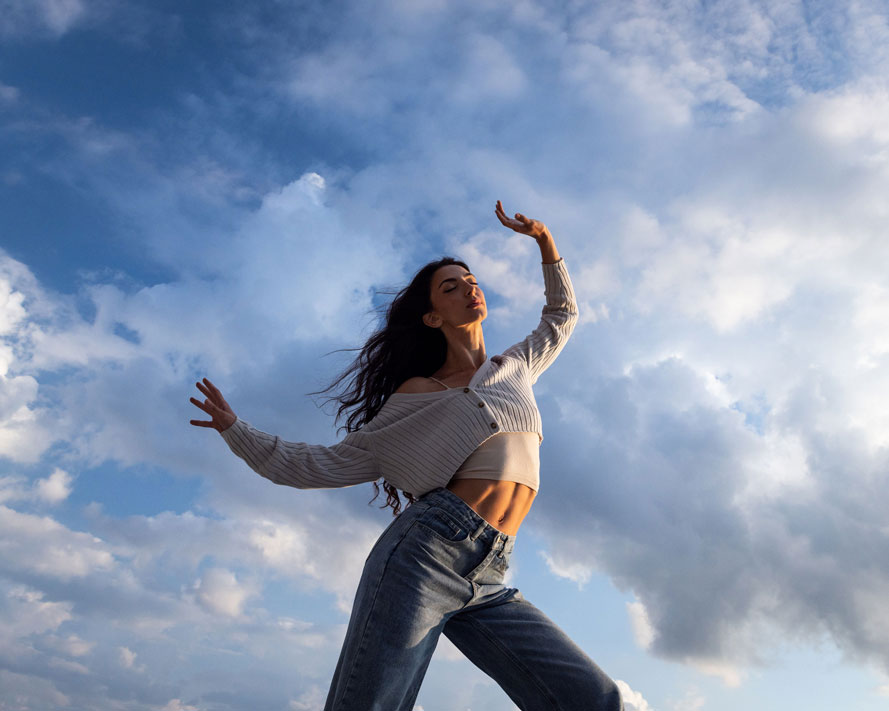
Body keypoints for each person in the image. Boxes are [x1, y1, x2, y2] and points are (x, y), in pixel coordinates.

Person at [189, 200, 623, 710]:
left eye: (472, 279)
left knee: (593, 700)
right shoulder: (417, 393)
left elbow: (562, 315)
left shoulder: (516, 367)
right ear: (432, 316)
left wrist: (545, 241)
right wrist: (235, 429)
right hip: (426, 552)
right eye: (451, 286)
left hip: (490, 570)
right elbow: (315, 465)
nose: (469, 287)